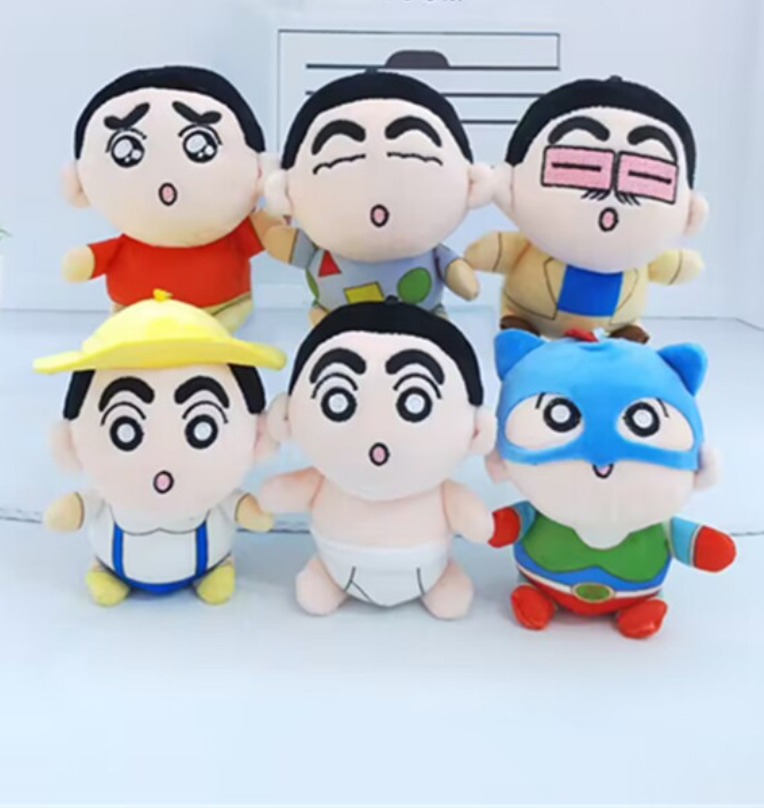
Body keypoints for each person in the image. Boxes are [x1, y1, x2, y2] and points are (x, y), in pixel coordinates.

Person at [35, 290, 286, 606]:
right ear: (69, 441)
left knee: (217, 581)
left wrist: (253, 511)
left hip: (207, 561)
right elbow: (76, 510)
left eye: (203, 426)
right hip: (116, 564)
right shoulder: (106, 494)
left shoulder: (216, 495)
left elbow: (244, 510)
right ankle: (105, 570)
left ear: (257, 436)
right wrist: (70, 510)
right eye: (124, 430)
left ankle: (216, 568)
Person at [487, 329, 735, 637]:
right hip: (542, 580)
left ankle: (642, 604)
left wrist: (701, 545)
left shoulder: (654, 519)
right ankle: (537, 593)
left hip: (635, 589)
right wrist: (493, 526)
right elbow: (505, 525)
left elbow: (702, 546)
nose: (601, 460)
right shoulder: (541, 509)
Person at [259, 302, 494, 618]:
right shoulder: (322, 479)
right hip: (338, 567)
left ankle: (441, 579)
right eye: (338, 400)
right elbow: (275, 496)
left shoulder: (442, 492)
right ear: (287, 417)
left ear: (477, 428)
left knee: (450, 600)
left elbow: (478, 525)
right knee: (315, 596)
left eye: (415, 401)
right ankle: (328, 578)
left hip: (427, 570)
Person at [465, 76, 707, 341]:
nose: (610, 199)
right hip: (530, 317)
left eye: (645, 176)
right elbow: (490, 253)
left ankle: (624, 334)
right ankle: (521, 329)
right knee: (518, 338)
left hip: (617, 324)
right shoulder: (530, 245)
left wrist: (679, 264)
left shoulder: (640, 259)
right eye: (579, 167)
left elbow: (676, 267)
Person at [263, 71, 493, 324]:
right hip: (334, 316)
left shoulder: (433, 253)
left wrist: (459, 275)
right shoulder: (321, 246)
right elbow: (286, 245)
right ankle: (328, 324)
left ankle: (434, 327)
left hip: (421, 318)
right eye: (342, 161)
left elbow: (458, 276)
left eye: (410, 157)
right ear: (285, 188)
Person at [61, 65, 277, 330]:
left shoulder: (235, 236)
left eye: (202, 146)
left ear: (259, 171)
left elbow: (273, 232)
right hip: (135, 317)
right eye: (125, 151)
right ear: (78, 181)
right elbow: (83, 263)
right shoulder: (127, 243)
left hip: (221, 314)